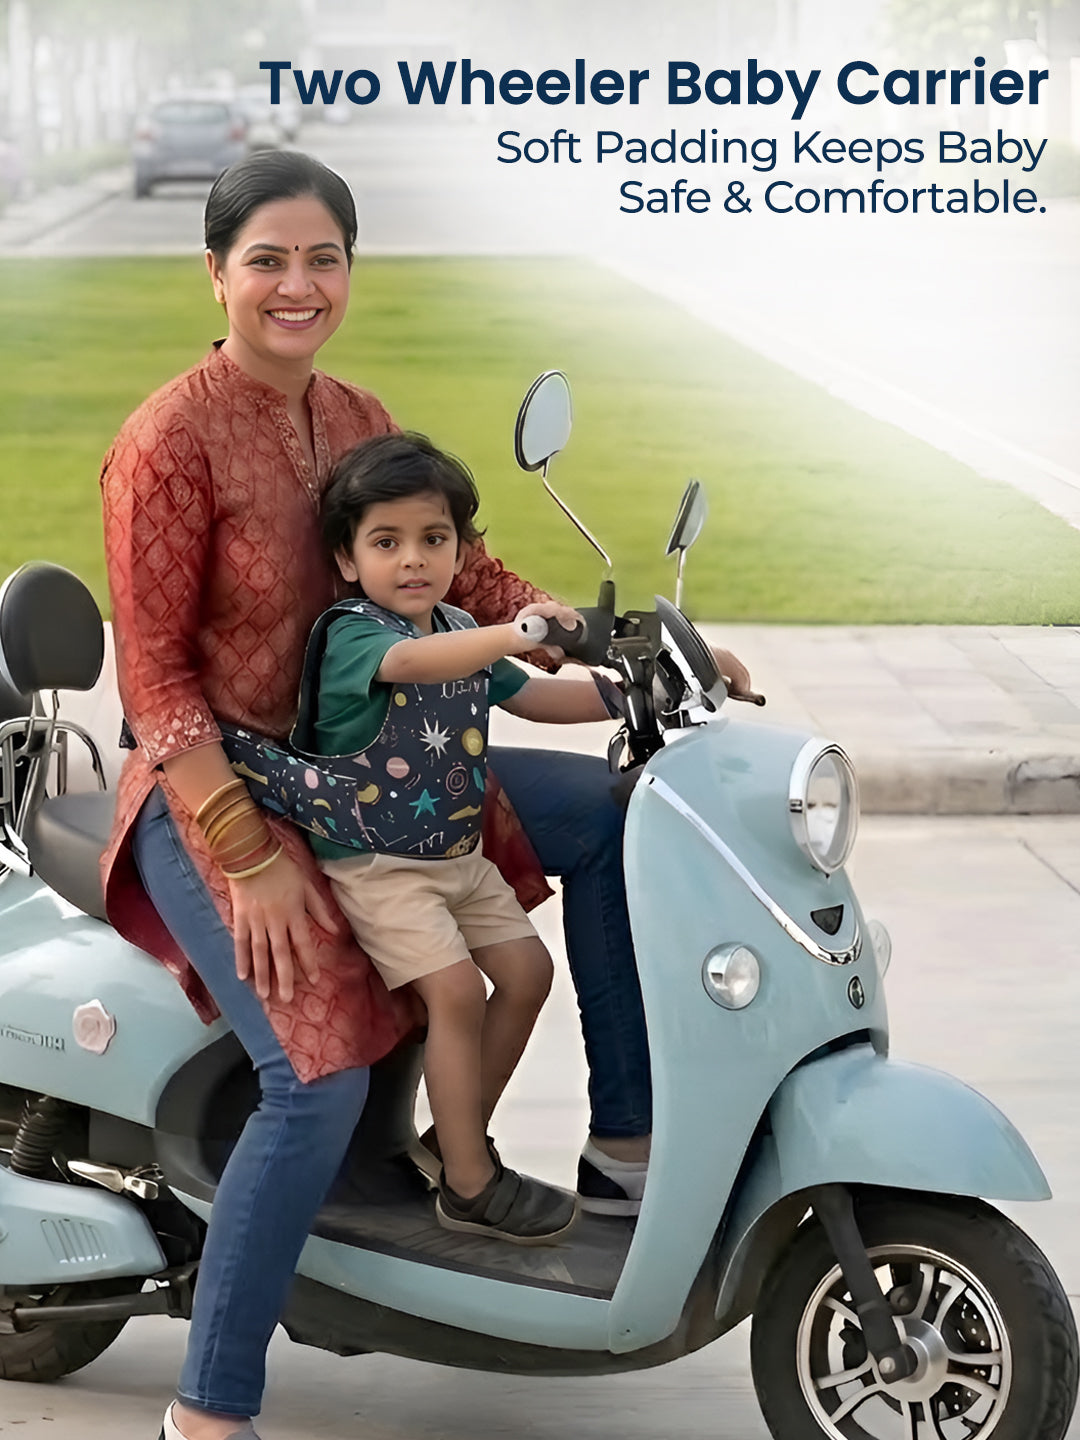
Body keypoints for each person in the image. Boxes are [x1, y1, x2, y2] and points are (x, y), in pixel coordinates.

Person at [98, 149, 751, 1440]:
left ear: (350, 269)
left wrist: (614, 638)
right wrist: (250, 852)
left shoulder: (351, 413)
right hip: (217, 788)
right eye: (268, 260)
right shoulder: (166, 442)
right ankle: (208, 1410)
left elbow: (476, 578)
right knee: (319, 1079)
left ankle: (620, 1155)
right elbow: (158, 680)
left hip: (384, 774)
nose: (298, 284)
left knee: (623, 815)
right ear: (216, 272)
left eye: (323, 257)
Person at [304, 431, 615, 1243]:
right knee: (456, 992)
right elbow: (420, 664)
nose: (413, 560)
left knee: (527, 972)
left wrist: (637, 691)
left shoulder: (458, 624)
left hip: (455, 857)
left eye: (434, 539)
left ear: (460, 548)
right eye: (387, 542)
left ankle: (453, 1139)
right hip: (379, 865)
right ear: (346, 560)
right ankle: (471, 1185)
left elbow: (540, 702)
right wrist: (520, 629)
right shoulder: (356, 636)